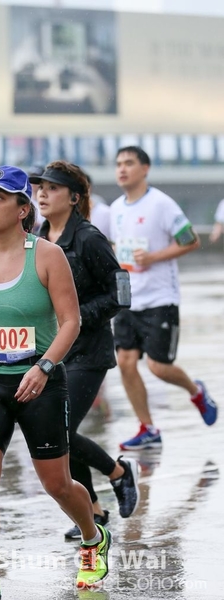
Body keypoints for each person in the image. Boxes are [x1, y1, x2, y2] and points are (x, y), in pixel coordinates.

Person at [0, 166, 111, 599]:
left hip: (40, 381)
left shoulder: (47, 256)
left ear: (23, 209)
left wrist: (43, 367)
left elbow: (71, 321)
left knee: (56, 483)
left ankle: (92, 537)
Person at [30, 161, 139, 541]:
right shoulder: (39, 238)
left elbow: (120, 292)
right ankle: (93, 512)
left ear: (74, 198)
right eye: (40, 187)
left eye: (52, 188)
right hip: (53, 351)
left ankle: (118, 473)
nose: (42, 194)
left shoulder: (89, 238)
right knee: (60, 432)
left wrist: (76, 318)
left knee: (59, 429)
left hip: (88, 351)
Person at [110, 146, 218, 450]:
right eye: (118, 164)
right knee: (125, 362)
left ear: (145, 169)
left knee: (158, 367)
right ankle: (148, 429)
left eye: (129, 163)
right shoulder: (116, 208)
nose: (122, 169)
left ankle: (196, 391)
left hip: (160, 298)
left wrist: (153, 257)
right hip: (128, 299)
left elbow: (190, 240)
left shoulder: (161, 204)